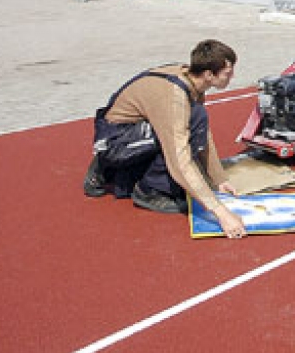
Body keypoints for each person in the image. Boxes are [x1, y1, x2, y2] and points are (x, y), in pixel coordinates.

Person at [82, 39, 247, 238]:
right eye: (228, 73)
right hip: (114, 141)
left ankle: (121, 172)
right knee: (179, 137)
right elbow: (180, 159)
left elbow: (203, 133)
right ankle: (148, 190)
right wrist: (220, 212)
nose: (233, 77)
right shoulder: (174, 98)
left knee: (195, 118)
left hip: (133, 131)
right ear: (209, 74)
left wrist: (218, 179)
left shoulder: (192, 79)